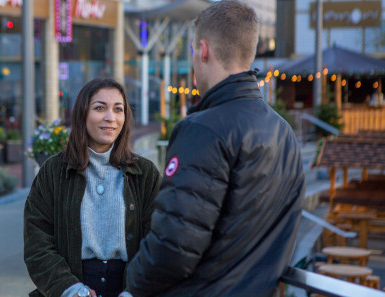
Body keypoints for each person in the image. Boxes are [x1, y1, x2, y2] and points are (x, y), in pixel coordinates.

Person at [122, 1, 305, 296]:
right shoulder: (283, 131)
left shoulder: (202, 129)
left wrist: (130, 283)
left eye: (193, 49)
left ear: (202, 50)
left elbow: (172, 249)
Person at [24, 78, 162, 297]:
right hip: (73, 285)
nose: (110, 118)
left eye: (118, 109)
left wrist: (135, 291)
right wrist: (68, 288)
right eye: (100, 108)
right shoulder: (54, 171)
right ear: (82, 114)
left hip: (128, 286)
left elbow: (157, 242)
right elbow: (36, 243)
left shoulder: (145, 174)